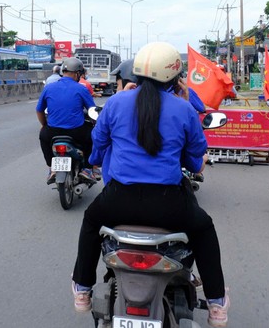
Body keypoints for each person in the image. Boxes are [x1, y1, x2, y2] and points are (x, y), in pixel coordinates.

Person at [72, 42, 229, 327]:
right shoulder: (183, 110)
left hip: (118, 200)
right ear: (175, 77)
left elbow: (96, 153)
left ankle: (83, 290)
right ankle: (216, 304)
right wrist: (184, 99)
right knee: (204, 230)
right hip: (168, 204)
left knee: (91, 221)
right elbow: (195, 164)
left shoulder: (116, 103)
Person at [36, 57, 97, 184]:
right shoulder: (81, 89)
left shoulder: (49, 87)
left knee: (43, 136)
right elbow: (92, 111)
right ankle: (87, 169)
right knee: (93, 136)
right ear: (77, 73)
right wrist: (95, 124)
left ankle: (52, 168)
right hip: (76, 132)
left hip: (52, 132)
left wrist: (44, 125)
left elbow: (39, 110)